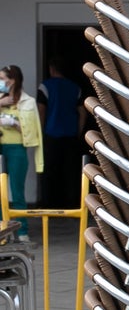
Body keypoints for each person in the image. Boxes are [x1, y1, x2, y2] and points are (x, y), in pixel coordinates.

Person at [0, 65, 43, 240]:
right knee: (0, 192)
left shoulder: (28, 102)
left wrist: (14, 123)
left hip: (17, 148)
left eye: (3, 79)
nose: (1, 83)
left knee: (17, 192)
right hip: (1, 149)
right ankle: (3, 232)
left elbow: (34, 130)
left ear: (13, 80)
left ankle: (22, 232)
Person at [36, 61, 83, 209]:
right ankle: (71, 203)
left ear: (51, 69)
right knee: (70, 171)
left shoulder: (45, 86)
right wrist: (78, 131)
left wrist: (41, 131)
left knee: (49, 170)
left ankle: (48, 204)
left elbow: (41, 110)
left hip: (51, 133)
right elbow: (83, 112)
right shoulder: (75, 87)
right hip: (70, 134)